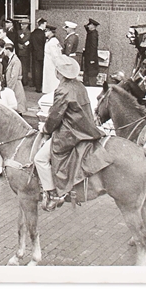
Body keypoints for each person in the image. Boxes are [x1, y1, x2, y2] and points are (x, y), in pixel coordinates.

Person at [35, 55, 111, 211]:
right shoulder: (80, 86)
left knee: (40, 158)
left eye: (57, 70)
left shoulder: (62, 89)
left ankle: (53, 192)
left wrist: (46, 130)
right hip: (86, 129)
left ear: (59, 73)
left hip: (70, 133)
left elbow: (55, 116)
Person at [3, 43, 27, 115]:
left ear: (8, 50)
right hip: (14, 85)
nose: (4, 51)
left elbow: (14, 76)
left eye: (5, 49)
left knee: (18, 105)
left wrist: (10, 89)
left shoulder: (15, 61)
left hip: (15, 85)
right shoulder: (12, 59)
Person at [42, 25, 62, 94]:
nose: (45, 33)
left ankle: (52, 92)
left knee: (52, 78)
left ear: (51, 32)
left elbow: (55, 54)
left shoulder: (53, 41)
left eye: (46, 31)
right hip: (48, 61)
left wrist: (57, 64)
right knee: (48, 78)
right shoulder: (49, 40)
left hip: (51, 63)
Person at [30, 18, 47, 92]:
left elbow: (31, 45)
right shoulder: (43, 34)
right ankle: (41, 85)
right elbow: (44, 44)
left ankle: (36, 85)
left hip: (34, 53)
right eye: (45, 24)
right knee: (41, 70)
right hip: (42, 54)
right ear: (42, 24)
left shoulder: (33, 33)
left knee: (36, 70)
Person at [82, 18, 100, 87]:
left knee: (91, 76)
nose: (88, 26)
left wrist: (92, 59)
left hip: (91, 59)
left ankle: (91, 87)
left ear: (93, 25)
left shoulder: (93, 34)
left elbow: (93, 47)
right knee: (87, 75)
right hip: (89, 58)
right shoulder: (91, 33)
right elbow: (86, 28)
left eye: (89, 25)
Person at [15, 21, 31, 85]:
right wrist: (19, 44)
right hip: (20, 51)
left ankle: (25, 81)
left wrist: (22, 45)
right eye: (21, 24)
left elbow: (27, 41)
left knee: (24, 66)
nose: (21, 25)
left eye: (23, 24)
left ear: (26, 25)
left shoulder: (28, 33)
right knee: (20, 66)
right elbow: (17, 39)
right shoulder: (19, 32)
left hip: (25, 51)